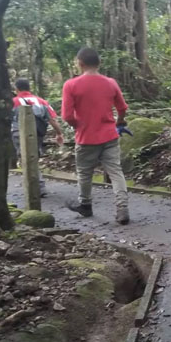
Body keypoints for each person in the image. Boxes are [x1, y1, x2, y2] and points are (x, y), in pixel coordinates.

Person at [61, 47, 131, 225]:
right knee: (116, 172)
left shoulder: (71, 85)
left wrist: (78, 125)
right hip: (109, 135)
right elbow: (122, 108)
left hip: (86, 138)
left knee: (85, 173)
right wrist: (119, 122)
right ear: (99, 63)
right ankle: (122, 208)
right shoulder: (110, 83)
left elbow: (67, 116)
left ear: (80, 63)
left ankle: (86, 205)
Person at [11, 78, 64, 195]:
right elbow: (52, 120)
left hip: (18, 132)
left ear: (17, 89)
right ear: (29, 88)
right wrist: (59, 133)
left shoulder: (13, 101)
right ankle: (34, 184)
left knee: (26, 159)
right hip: (37, 133)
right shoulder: (41, 101)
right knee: (32, 158)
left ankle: (37, 187)